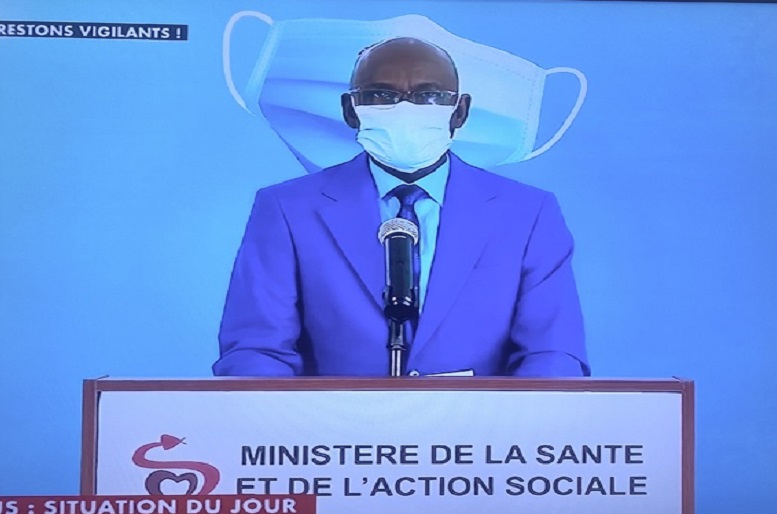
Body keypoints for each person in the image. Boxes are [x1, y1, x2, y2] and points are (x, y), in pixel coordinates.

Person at [213, 37, 589, 377]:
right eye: (381, 95)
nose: (405, 110)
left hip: (483, 428)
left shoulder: (528, 213)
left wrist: (518, 422)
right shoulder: (287, 209)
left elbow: (553, 353)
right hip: (333, 429)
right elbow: (256, 350)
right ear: (350, 110)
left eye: (429, 96)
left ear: (459, 112)